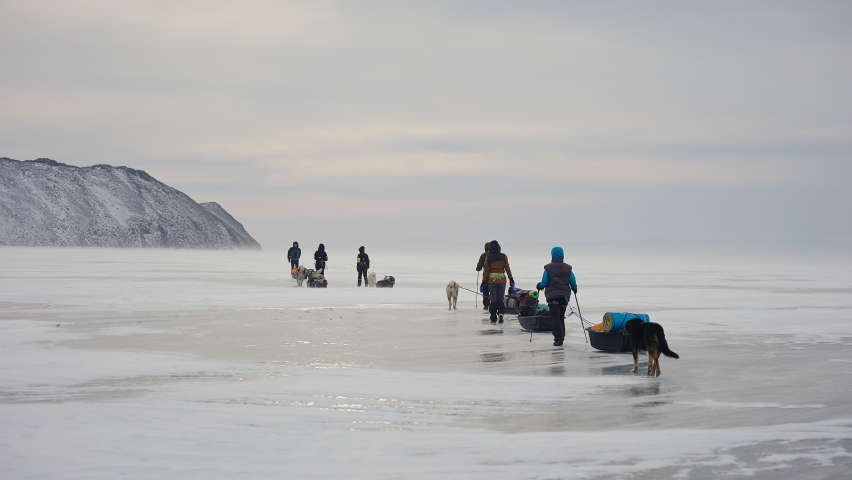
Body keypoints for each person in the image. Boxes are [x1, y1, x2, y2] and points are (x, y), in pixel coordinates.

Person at [536, 247, 577, 347]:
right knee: (561, 316)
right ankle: (561, 336)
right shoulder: (568, 268)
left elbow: (545, 282)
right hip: (564, 296)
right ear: (562, 254)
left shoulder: (548, 268)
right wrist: (575, 289)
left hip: (553, 296)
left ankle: (558, 339)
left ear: (552, 255)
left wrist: (539, 286)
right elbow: (572, 280)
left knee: (555, 317)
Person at [482, 240, 514, 324]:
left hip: (491, 281)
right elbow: (507, 268)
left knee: (493, 299)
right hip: (501, 280)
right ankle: (500, 313)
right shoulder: (504, 256)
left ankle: (493, 317)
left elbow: (486, 271)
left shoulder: (488, 258)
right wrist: (511, 278)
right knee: (500, 298)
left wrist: (483, 282)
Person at [475, 242, 491, 310]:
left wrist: (478, 269)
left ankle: (486, 305)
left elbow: (479, 267)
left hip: (486, 276)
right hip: (495, 276)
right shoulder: (494, 254)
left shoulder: (483, 255)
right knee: (493, 290)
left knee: (486, 290)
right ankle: (494, 303)